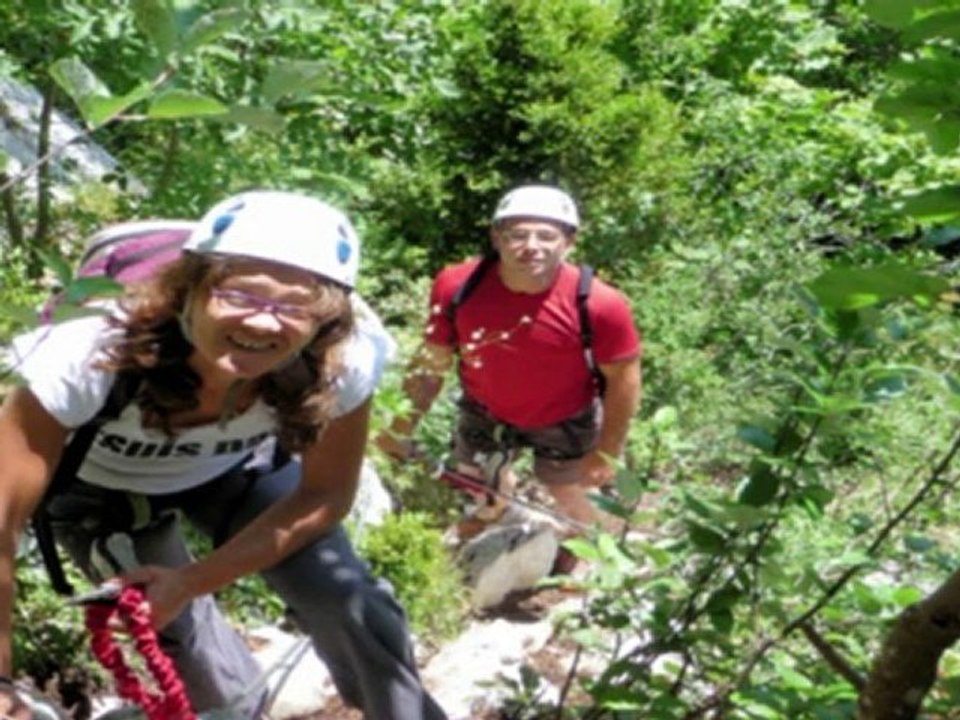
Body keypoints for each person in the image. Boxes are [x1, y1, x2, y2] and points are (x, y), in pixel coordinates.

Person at [0, 190, 447, 719]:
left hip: (236, 468)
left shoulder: (339, 361)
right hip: (102, 491)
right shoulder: (89, 353)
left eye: (293, 307)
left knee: (350, 601)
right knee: (209, 676)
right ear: (186, 291)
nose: (263, 322)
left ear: (324, 321)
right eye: (239, 295)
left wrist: (193, 581)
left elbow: (325, 494)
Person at [377, 184, 642, 547]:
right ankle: (496, 516)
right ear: (496, 238)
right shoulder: (458, 285)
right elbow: (432, 361)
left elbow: (624, 379)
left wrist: (607, 452)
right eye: (517, 234)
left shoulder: (600, 303)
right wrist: (401, 426)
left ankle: (594, 553)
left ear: (569, 241)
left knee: (570, 492)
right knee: (478, 482)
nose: (531, 246)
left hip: (565, 415)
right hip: (486, 409)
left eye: (546, 236)